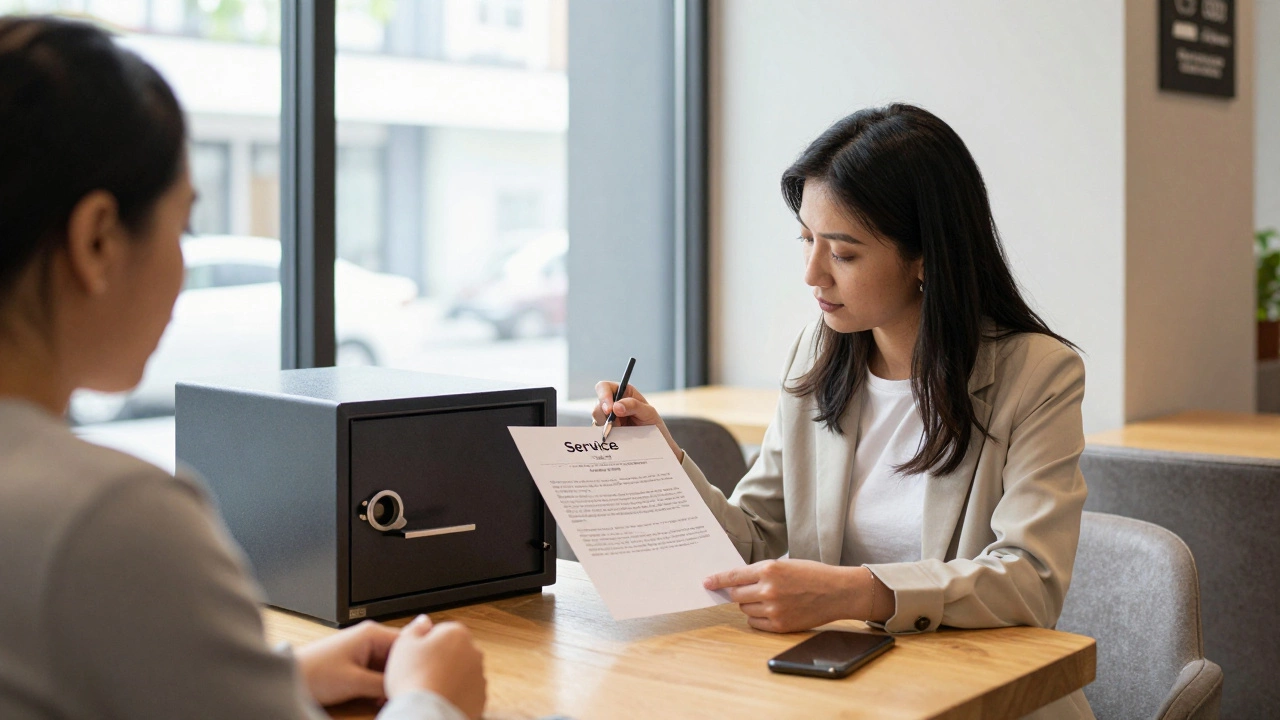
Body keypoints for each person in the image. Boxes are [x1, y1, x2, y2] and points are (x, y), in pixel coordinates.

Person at [0, 16, 485, 720]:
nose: (183, 264)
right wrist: (429, 698)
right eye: (184, 225)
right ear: (98, 240)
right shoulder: (108, 519)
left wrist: (262, 676)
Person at [593, 104, 1093, 719]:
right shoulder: (817, 355)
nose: (812, 273)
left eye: (844, 254)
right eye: (807, 239)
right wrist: (662, 459)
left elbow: (1031, 581)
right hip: (833, 695)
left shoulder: (1038, 375)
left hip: (980, 702)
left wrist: (857, 592)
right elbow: (757, 544)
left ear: (925, 258)